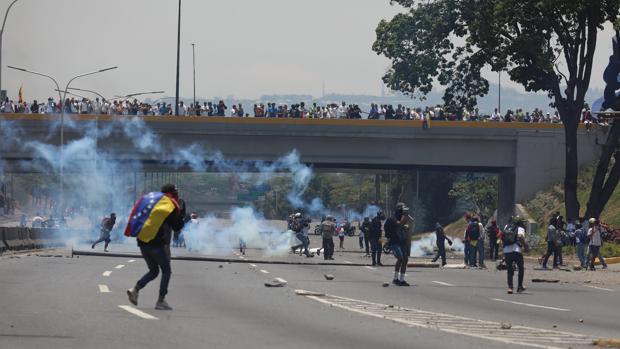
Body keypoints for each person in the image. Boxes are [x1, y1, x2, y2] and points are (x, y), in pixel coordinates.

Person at [126, 184, 185, 311]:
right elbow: (177, 227)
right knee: (166, 271)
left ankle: (135, 289)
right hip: (157, 244)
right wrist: (180, 211)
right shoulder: (169, 205)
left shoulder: (151, 199)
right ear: (172, 193)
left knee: (154, 271)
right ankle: (161, 300)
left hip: (142, 242)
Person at [385, 202, 412, 286]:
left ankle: (402, 279)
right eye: (402, 210)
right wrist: (404, 215)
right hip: (394, 241)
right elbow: (399, 224)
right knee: (400, 258)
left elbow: (411, 223)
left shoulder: (403, 217)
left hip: (402, 241)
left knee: (405, 259)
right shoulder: (393, 218)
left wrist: (407, 216)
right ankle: (395, 278)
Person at [501, 216, 527, 294]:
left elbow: (503, 237)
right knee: (521, 268)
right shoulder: (520, 228)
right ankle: (519, 287)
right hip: (516, 250)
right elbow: (520, 236)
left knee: (509, 269)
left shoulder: (507, 226)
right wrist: (526, 246)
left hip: (507, 251)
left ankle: (510, 287)